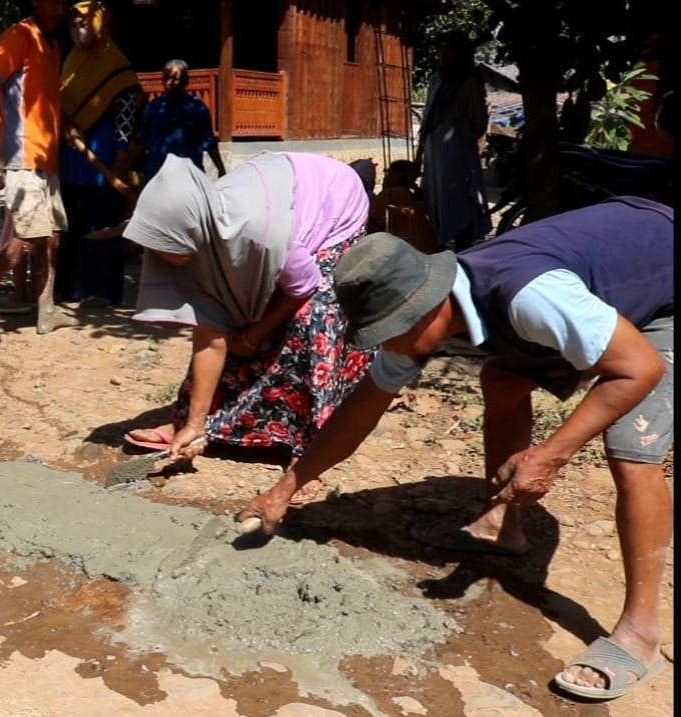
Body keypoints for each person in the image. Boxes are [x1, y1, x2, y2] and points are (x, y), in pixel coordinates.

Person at [239, 198, 674, 702]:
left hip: (665, 292)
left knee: (630, 447)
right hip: (607, 282)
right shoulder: (437, 310)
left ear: (426, 306)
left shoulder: (530, 296)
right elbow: (364, 407)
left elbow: (639, 369)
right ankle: (500, 527)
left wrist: (551, 454)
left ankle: (640, 634)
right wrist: (285, 488)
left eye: (392, 332)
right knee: (503, 378)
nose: (391, 345)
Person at [121, 153, 374, 504]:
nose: (160, 256)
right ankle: (193, 424)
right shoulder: (202, 228)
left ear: (191, 229)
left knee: (309, 320)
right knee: (237, 315)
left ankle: (309, 449)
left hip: (333, 206)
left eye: (166, 246)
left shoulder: (259, 233)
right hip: (282, 207)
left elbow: (304, 286)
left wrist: (256, 333)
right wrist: (193, 423)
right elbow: (209, 332)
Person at [0, 0, 77, 337]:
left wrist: (65, 123)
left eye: (65, 3)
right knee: (29, 235)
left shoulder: (53, 44)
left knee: (52, 238)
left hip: (48, 157)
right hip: (22, 153)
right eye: (54, 2)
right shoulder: (18, 36)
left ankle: (46, 309)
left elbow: (44, 99)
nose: (61, 9)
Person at [54, 1, 143, 308]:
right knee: (72, 228)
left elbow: (125, 122)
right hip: (69, 164)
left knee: (102, 230)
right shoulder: (70, 64)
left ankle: (103, 292)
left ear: (100, 24)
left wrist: (118, 168)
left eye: (85, 23)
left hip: (103, 166)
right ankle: (71, 289)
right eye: (74, 24)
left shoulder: (117, 68)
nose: (79, 30)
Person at [414, 29, 491, 252]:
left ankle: (462, 249)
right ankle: (438, 247)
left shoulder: (470, 81)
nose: (443, 53)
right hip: (434, 149)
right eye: (440, 48)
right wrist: (420, 151)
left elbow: (478, 121)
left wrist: (461, 130)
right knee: (435, 199)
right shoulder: (437, 78)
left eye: (449, 48)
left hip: (458, 151)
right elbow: (428, 114)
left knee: (461, 200)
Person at [128, 59, 226, 185]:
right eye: (167, 78)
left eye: (175, 78)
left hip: (189, 177)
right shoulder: (153, 107)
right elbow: (143, 141)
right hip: (157, 176)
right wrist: (128, 165)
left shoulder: (196, 108)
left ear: (186, 81)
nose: (170, 82)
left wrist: (221, 168)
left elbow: (209, 142)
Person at [367, 158, 437, 254]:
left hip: (408, 254)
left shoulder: (391, 195)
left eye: (388, 174)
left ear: (396, 177)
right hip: (428, 251)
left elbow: (371, 222)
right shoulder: (412, 195)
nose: (385, 178)